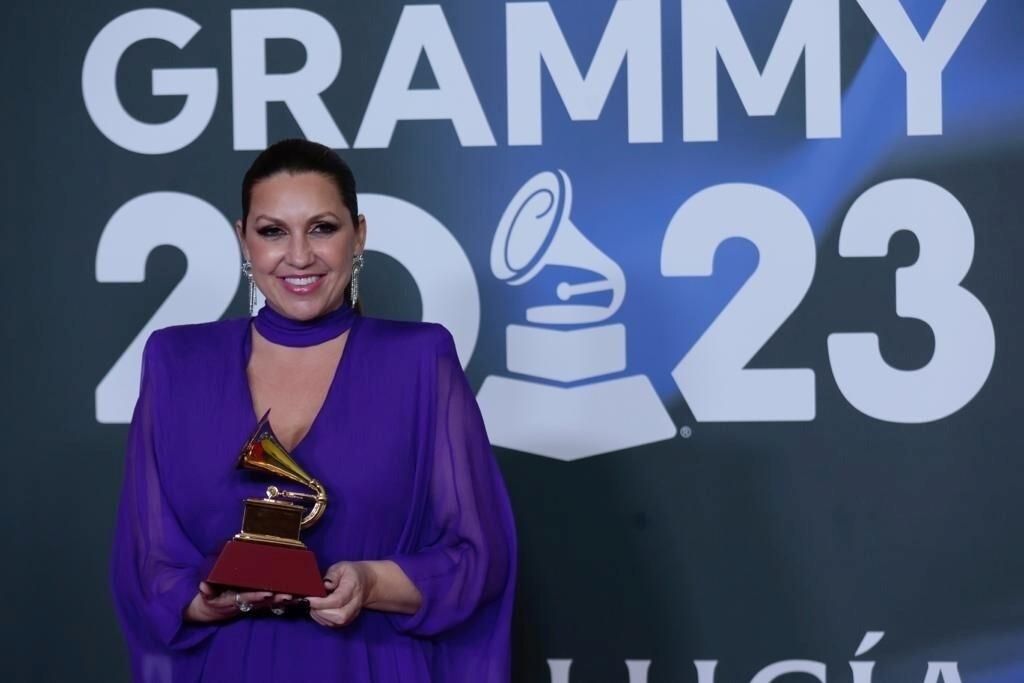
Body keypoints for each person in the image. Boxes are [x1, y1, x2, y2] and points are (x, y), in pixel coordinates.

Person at [110, 139, 517, 682]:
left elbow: (477, 559)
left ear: (359, 235)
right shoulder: (177, 362)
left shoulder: (420, 359)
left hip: (373, 663)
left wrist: (370, 583)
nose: (299, 256)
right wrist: (204, 601)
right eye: (273, 231)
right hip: (230, 666)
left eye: (322, 228)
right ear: (243, 239)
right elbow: (146, 561)